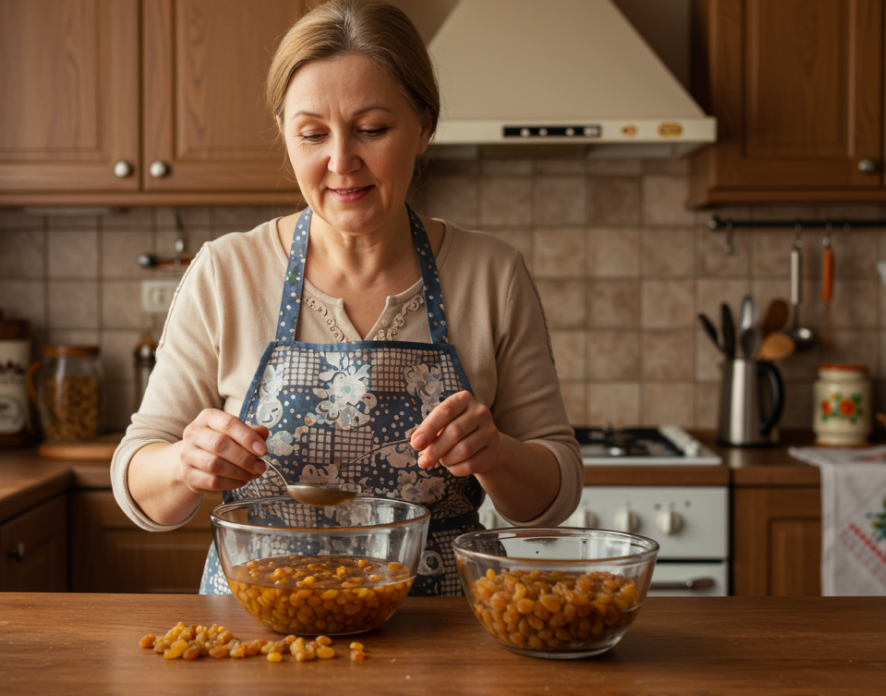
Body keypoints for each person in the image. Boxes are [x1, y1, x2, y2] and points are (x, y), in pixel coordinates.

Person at [112, 0, 581, 597]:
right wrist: (184, 464)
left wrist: (496, 455)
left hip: (439, 642)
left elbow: (553, 493)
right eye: (312, 134)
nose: (341, 162)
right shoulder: (225, 272)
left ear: (424, 128)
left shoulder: (492, 275)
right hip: (260, 638)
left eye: (372, 129)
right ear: (285, 134)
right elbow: (136, 474)